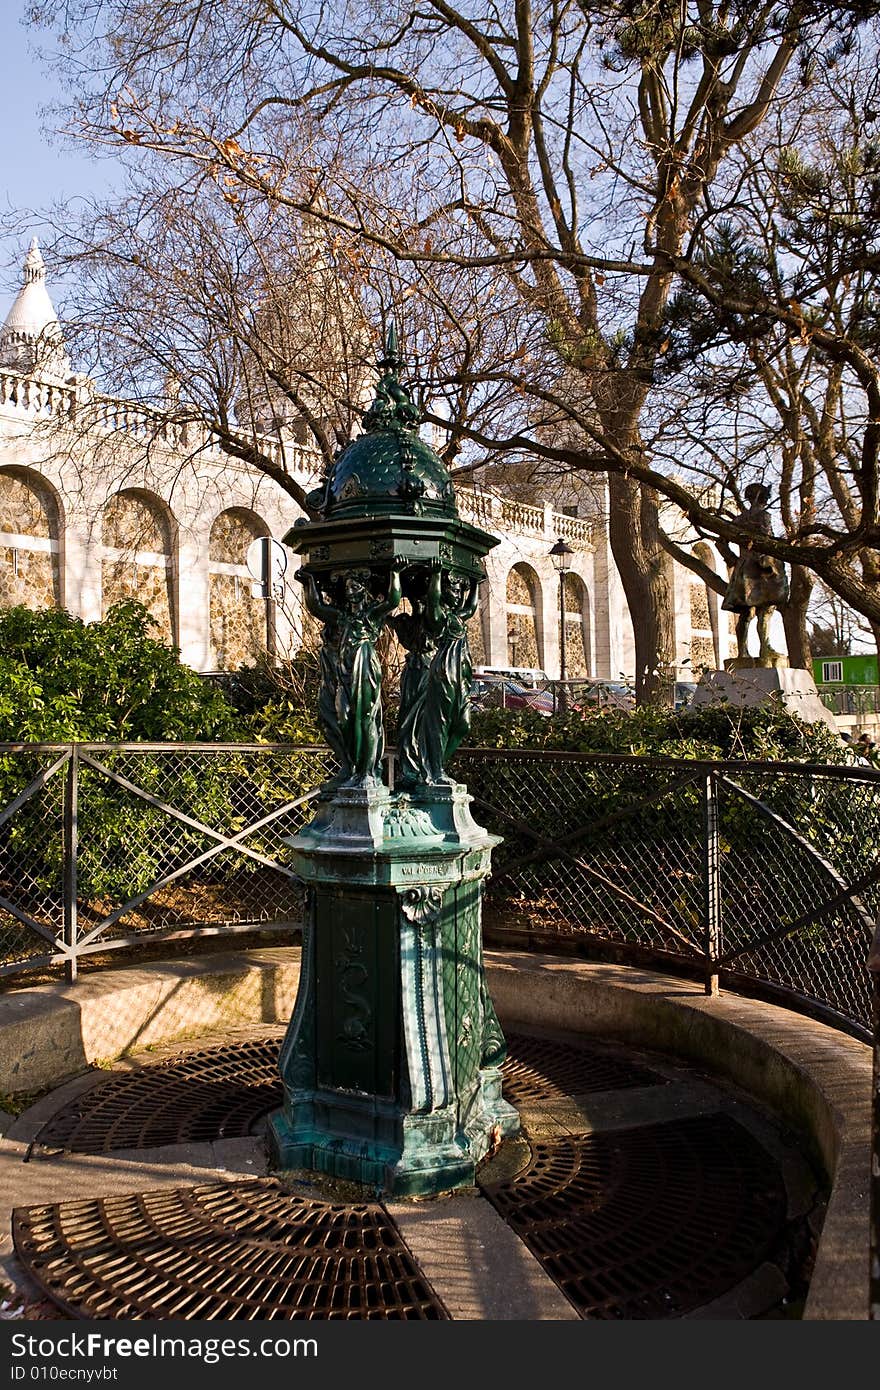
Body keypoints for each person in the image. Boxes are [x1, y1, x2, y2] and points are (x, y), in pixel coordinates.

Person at [722, 483, 789, 663]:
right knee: (765, 610)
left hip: (744, 569)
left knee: (746, 613)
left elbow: (721, 541)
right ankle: (764, 647)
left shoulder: (739, 520)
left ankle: (743, 651)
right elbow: (766, 540)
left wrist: (732, 559)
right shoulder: (763, 516)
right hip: (761, 569)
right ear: (762, 498)